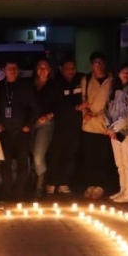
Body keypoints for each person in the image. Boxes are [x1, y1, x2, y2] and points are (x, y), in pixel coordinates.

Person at [0, 59, 40, 201]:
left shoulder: (26, 87)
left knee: (23, 164)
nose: (12, 71)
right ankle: (6, 193)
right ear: (4, 70)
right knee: (5, 164)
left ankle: (19, 194)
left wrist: (29, 125)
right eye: (9, 68)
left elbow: (35, 108)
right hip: (5, 132)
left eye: (14, 68)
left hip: (22, 132)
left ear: (18, 70)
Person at [78, 52, 116, 200]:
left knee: (103, 157)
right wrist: (85, 112)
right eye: (95, 62)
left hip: (105, 126)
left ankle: (101, 185)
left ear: (104, 64)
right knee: (89, 157)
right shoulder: (86, 79)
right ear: (91, 65)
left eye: (100, 62)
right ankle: (90, 184)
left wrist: (104, 116)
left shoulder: (112, 80)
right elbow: (83, 99)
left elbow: (114, 102)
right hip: (89, 125)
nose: (98, 65)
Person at [104, 62, 128, 203]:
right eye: (123, 72)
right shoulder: (113, 90)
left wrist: (114, 128)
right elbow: (106, 109)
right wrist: (109, 127)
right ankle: (123, 190)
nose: (126, 75)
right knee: (120, 163)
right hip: (113, 132)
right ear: (118, 74)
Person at [47, 58, 83, 195]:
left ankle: (64, 182)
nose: (71, 71)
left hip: (75, 124)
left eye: (73, 67)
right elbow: (57, 105)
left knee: (70, 154)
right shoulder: (55, 83)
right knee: (55, 154)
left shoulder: (80, 80)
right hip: (59, 125)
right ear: (61, 68)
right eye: (68, 68)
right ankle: (52, 181)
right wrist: (75, 107)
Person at [31, 58, 60, 197]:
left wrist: (49, 115)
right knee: (32, 153)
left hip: (46, 123)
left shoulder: (54, 85)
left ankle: (39, 186)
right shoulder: (30, 84)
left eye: (45, 67)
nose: (42, 70)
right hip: (30, 123)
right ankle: (34, 181)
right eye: (40, 67)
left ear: (50, 70)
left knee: (38, 154)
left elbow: (59, 104)